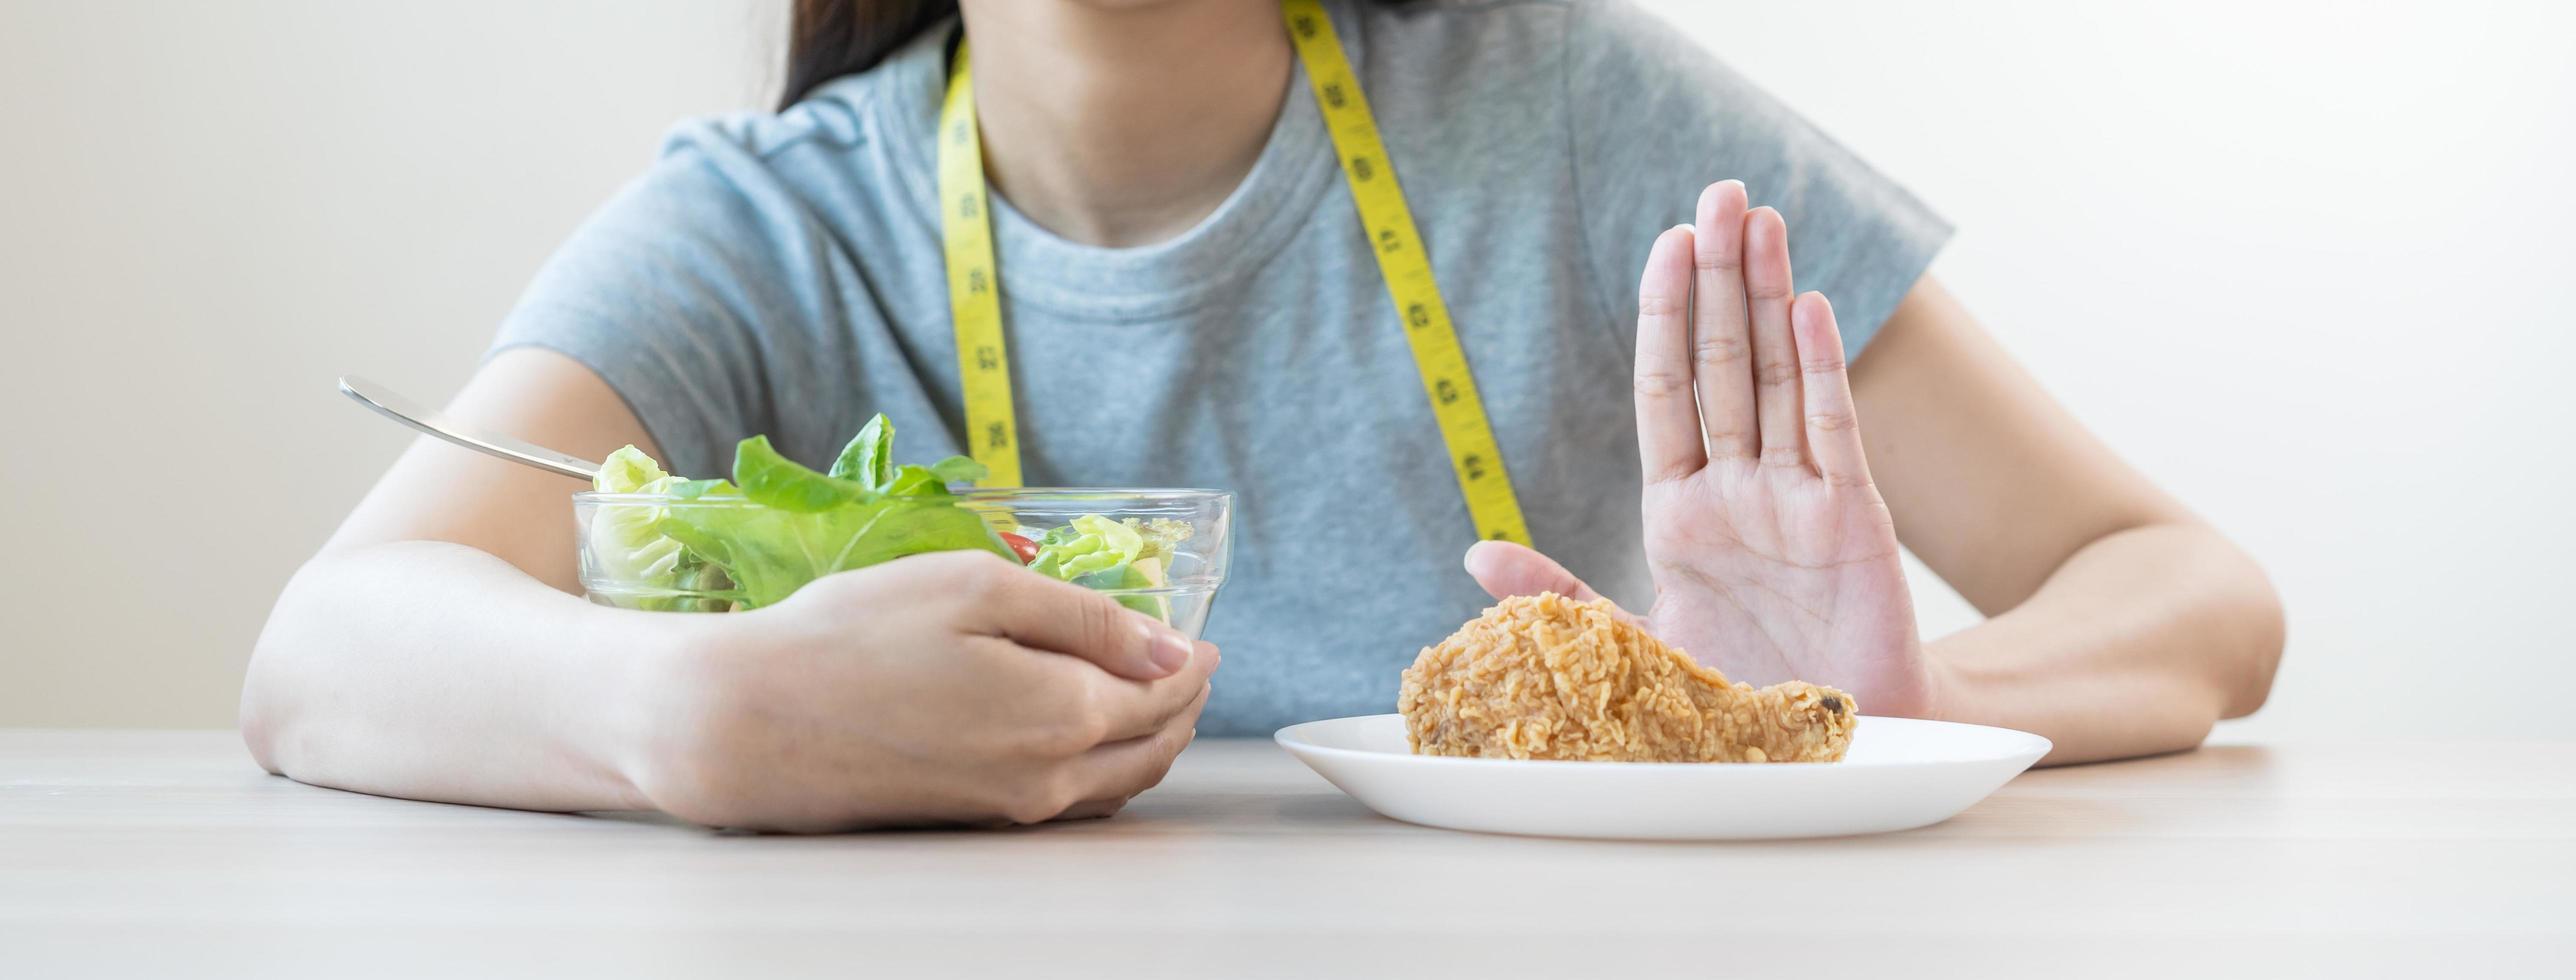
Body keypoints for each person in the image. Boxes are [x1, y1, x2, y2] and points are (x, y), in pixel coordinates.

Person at [242, 0, 2283, 831]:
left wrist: (1833, 719)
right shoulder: (766, 223)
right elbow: (323, 649)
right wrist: (691, 716)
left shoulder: (1571, 113)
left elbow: (2187, 589)